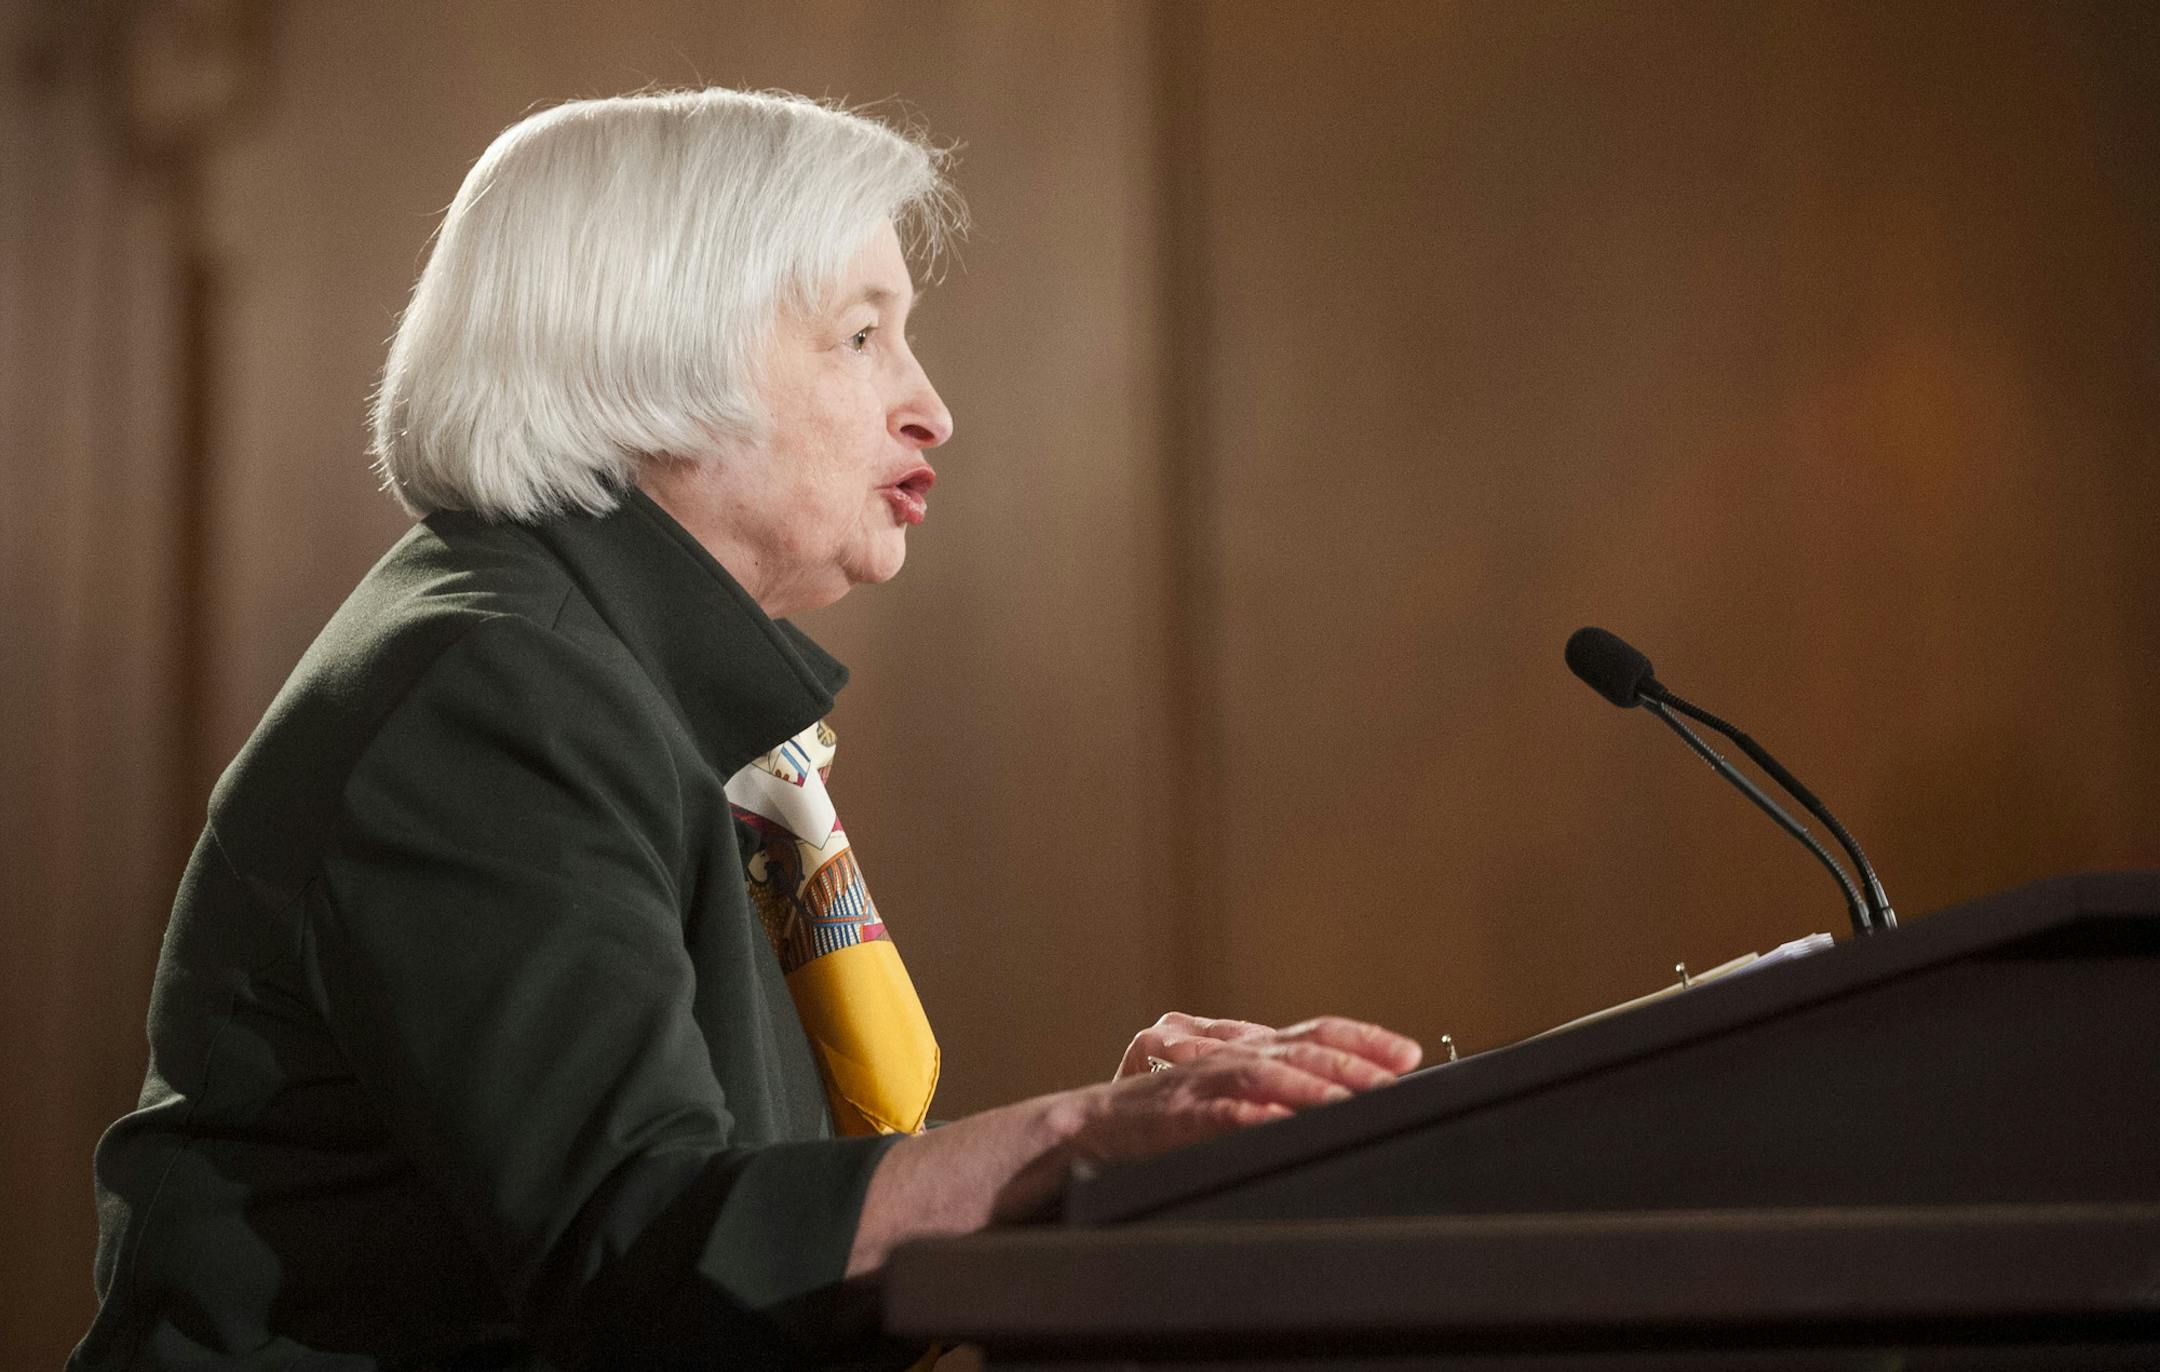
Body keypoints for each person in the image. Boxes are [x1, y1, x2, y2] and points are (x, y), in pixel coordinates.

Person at [72, 88, 1422, 1370]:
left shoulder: (597, 659)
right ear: (657, 350)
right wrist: (1065, 1143)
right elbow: (640, 1251)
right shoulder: (496, 688)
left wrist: (1114, 1149)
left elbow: (724, 1207)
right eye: (860, 334)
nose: (931, 406)